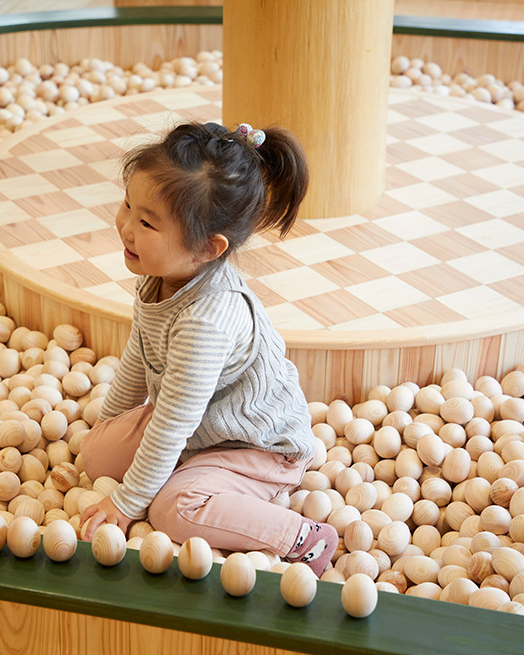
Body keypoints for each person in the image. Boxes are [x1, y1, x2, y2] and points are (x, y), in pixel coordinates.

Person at [78, 121, 339, 577]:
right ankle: (197, 477)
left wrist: (128, 502)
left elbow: (173, 421)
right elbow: (138, 359)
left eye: (146, 222)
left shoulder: (208, 321)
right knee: (95, 453)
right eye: (127, 205)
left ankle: (300, 536)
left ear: (207, 248)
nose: (125, 227)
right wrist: (109, 428)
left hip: (255, 444)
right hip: (201, 427)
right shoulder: (156, 276)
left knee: (170, 509)